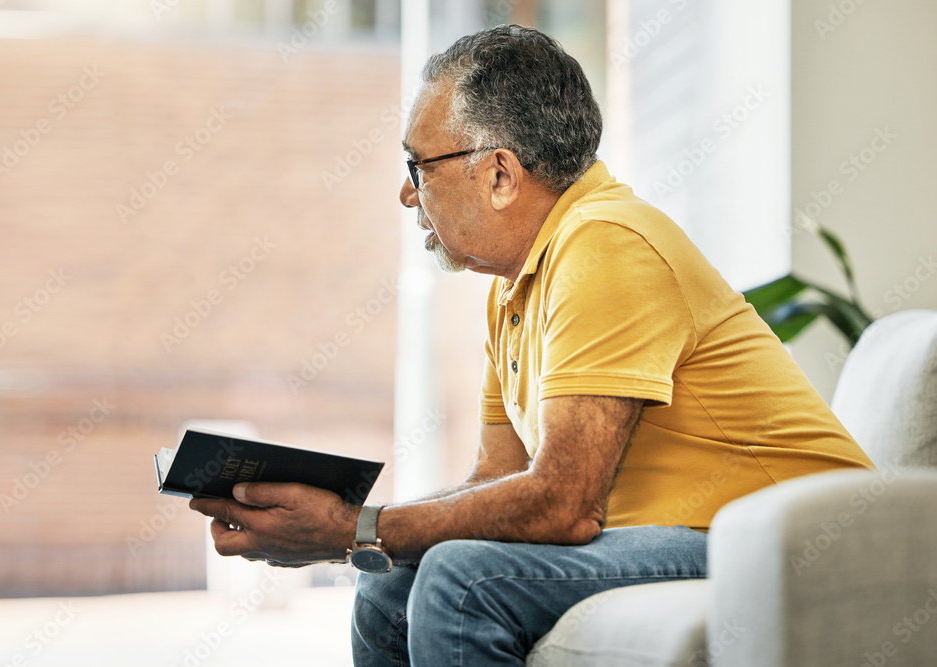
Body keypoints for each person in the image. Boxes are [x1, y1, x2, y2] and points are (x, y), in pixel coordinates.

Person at [189, 24, 875, 666]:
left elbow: (562, 503)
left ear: (500, 174)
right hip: (692, 533)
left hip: (795, 539)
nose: (407, 193)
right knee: (387, 586)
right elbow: (499, 482)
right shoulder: (517, 285)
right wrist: (352, 529)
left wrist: (353, 528)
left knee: (461, 579)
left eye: (417, 164)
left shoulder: (608, 243)